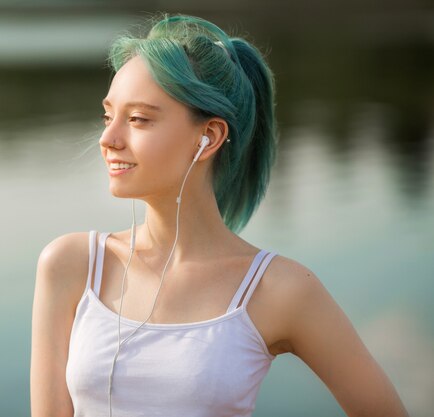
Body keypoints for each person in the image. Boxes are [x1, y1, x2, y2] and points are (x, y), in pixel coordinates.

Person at [30, 14, 408, 417]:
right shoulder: (72, 265)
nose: (108, 139)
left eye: (138, 119)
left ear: (208, 137)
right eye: (109, 116)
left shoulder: (280, 289)